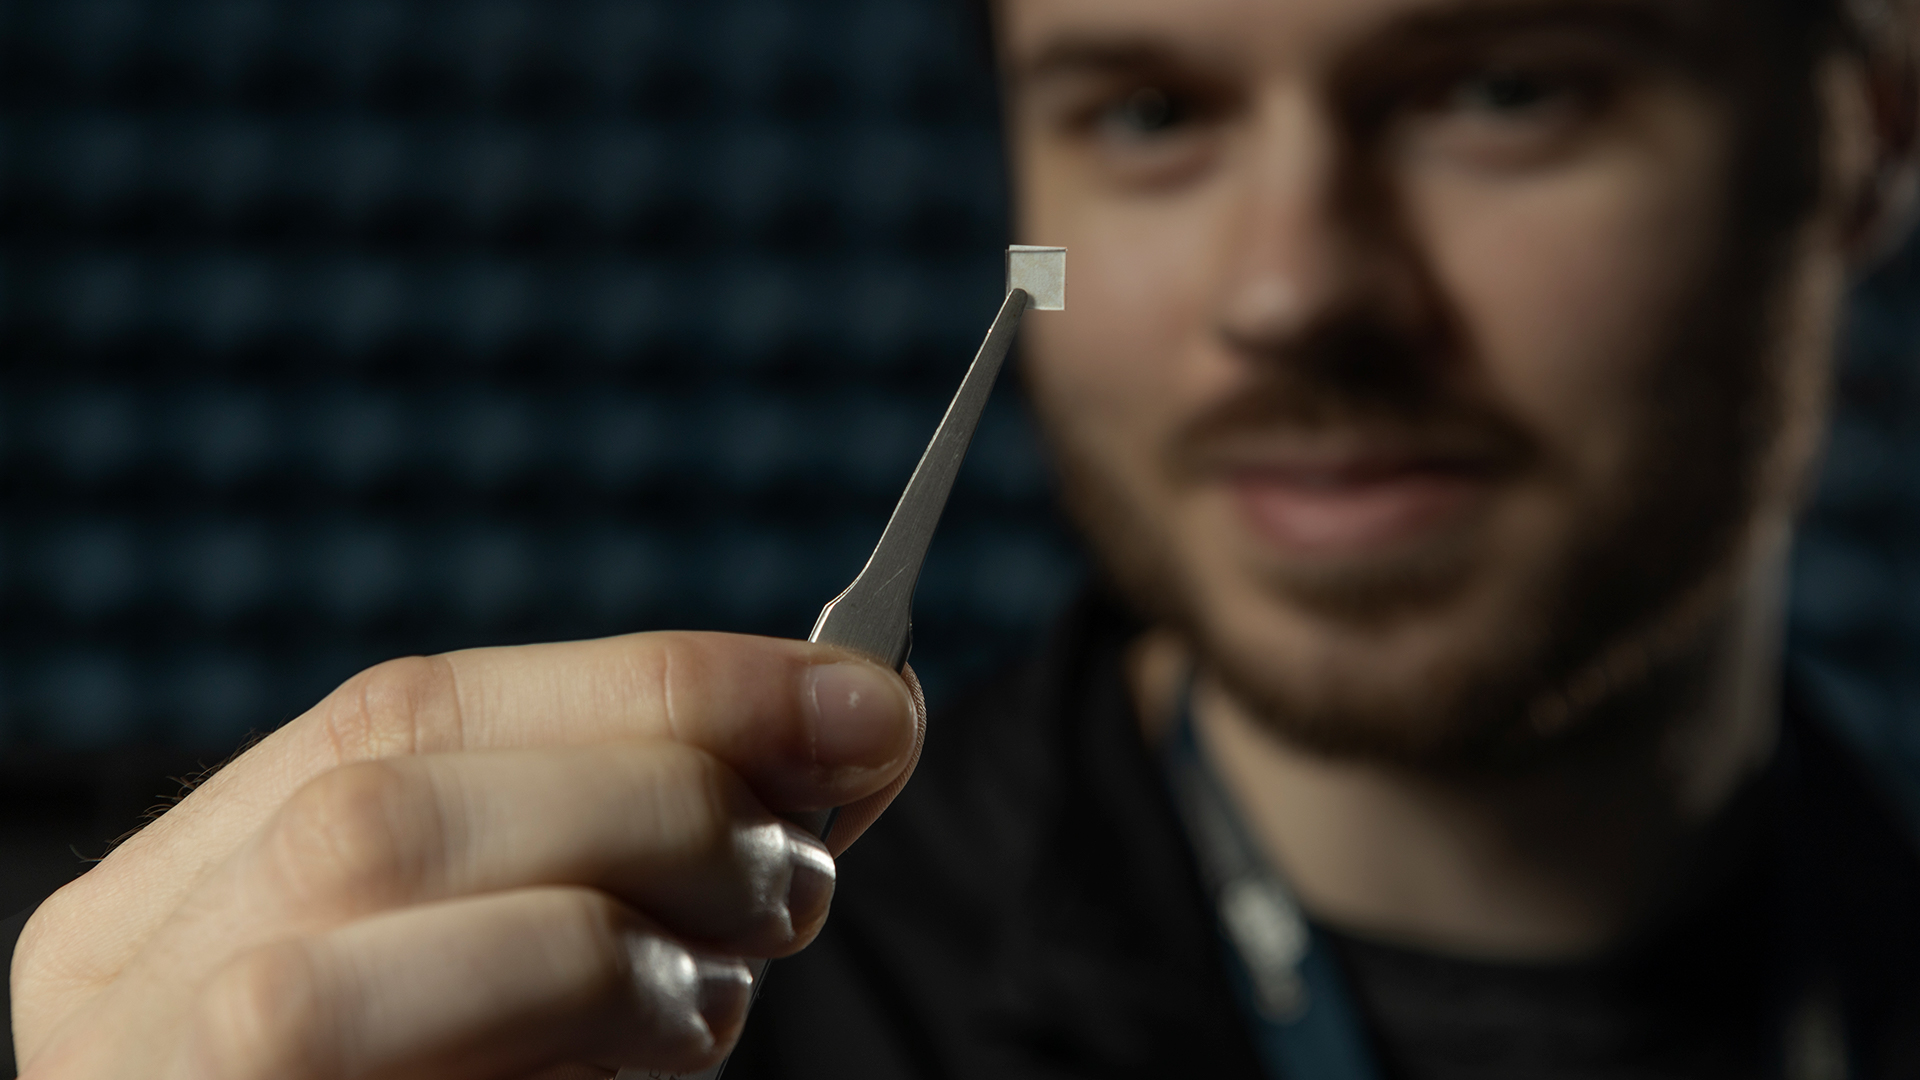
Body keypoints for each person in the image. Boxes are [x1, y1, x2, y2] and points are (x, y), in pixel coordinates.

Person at [9, 0, 1920, 1075]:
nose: (1291, 292)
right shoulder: (657, 1027)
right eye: (1153, 108)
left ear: (1868, 130)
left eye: (1504, 89)